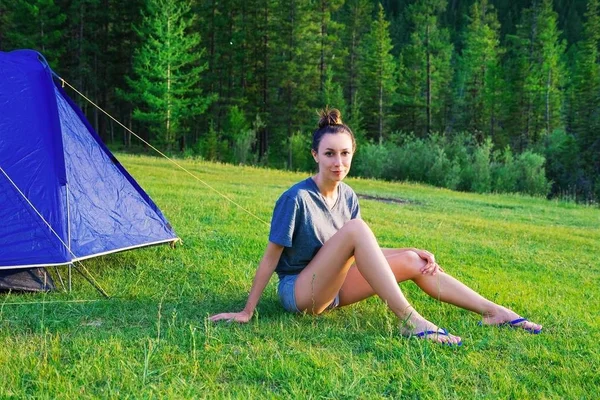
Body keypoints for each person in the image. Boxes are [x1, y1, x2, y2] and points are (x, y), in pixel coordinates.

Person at [210, 108, 542, 345]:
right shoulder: (295, 198)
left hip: (335, 287)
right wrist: (247, 310)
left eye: (344, 153)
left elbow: (357, 254)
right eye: (329, 154)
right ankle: (411, 321)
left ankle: (495, 311)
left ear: (353, 153)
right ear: (315, 155)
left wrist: (408, 251)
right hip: (300, 292)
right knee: (357, 230)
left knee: (413, 261)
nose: (338, 163)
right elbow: (271, 258)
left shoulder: (348, 195)